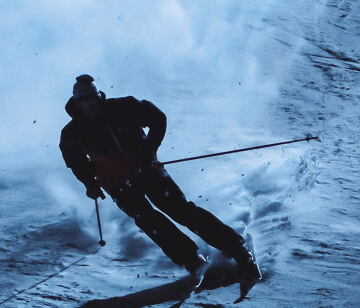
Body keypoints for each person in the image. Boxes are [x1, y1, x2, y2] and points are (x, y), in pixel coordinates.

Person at [60, 74, 260, 292]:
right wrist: (90, 183)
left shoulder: (123, 107)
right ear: (77, 103)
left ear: (100, 96)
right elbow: (76, 161)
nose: (91, 104)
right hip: (117, 184)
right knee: (149, 221)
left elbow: (157, 118)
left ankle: (238, 250)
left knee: (181, 210)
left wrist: (148, 151)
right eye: (85, 100)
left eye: (94, 97)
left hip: (148, 171)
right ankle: (192, 260)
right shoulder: (73, 132)